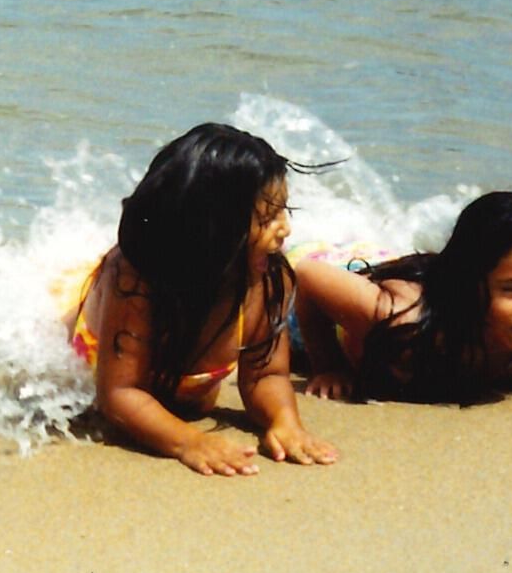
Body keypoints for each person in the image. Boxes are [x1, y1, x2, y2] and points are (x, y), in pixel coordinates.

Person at [66, 123, 339, 476]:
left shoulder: (266, 280)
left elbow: (266, 375)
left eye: (282, 211)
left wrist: (284, 422)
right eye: (268, 217)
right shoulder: (136, 281)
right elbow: (119, 394)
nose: (285, 228)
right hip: (87, 333)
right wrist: (188, 441)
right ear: (212, 228)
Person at [290, 191, 512, 405]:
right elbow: (308, 276)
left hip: (403, 269)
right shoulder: (403, 322)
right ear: (470, 285)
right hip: (319, 277)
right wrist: (328, 366)